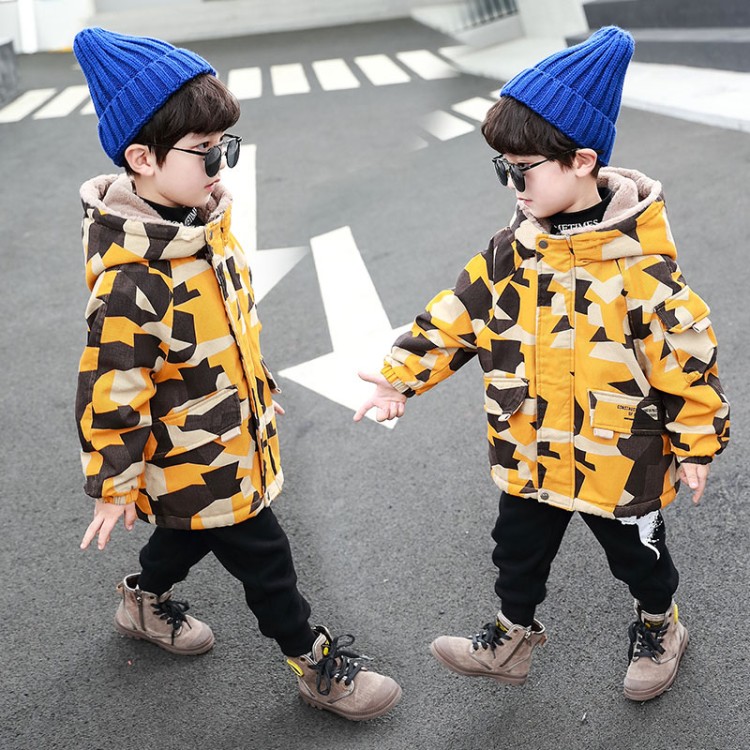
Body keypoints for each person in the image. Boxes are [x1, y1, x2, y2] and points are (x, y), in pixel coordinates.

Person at [355, 26, 729, 702]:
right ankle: (511, 638)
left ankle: (660, 624)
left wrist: (696, 443)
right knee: (516, 550)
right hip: (530, 443)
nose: (512, 183)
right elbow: (457, 314)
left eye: (520, 168)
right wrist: (399, 375)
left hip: (619, 456)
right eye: (502, 167)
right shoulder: (511, 250)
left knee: (638, 557)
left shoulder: (640, 268)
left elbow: (685, 358)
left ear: (581, 161)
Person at [72, 27, 400, 722]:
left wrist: (256, 391)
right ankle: (312, 662)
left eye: (227, 145)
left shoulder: (201, 228)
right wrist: (113, 484)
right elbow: (112, 386)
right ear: (142, 158)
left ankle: (142, 600)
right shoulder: (134, 280)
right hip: (194, 451)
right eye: (207, 150)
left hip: (228, 430)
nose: (222, 164)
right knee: (264, 556)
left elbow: (229, 331)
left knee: (188, 532)